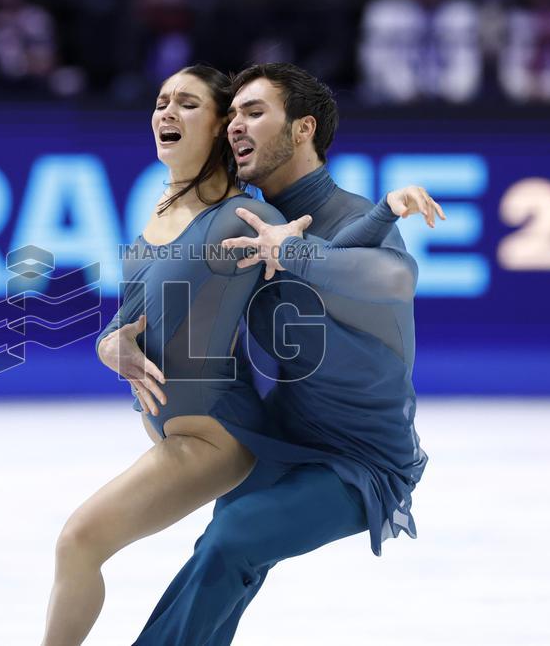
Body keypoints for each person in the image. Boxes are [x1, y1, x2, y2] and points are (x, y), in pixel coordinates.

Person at [40, 64, 441, 646]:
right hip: (280, 434)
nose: (236, 126)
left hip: (360, 459)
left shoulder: (349, 214)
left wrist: (307, 247)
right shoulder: (246, 216)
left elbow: (394, 279)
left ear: (303, 129)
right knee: (224, 545)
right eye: (232, 115)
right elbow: (166, 284)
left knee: (234, 540)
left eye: (254, 112)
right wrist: (112, 338)